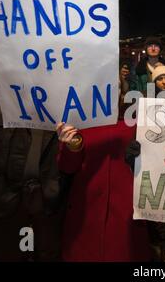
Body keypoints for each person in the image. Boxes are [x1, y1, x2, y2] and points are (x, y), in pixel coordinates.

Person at [0, 92, 65, 261]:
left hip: (47, 204)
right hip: (1, 200)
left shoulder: (65, 107)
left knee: (45, 254)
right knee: (5, 254)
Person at [56, 95, 151, 261]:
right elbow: (67, 167)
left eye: (117, 84)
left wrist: (141, 156)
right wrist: (71, 146)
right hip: (85, 209)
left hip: (125, 209)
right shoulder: (78, 119)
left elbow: (153, 160)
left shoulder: (133, 119)